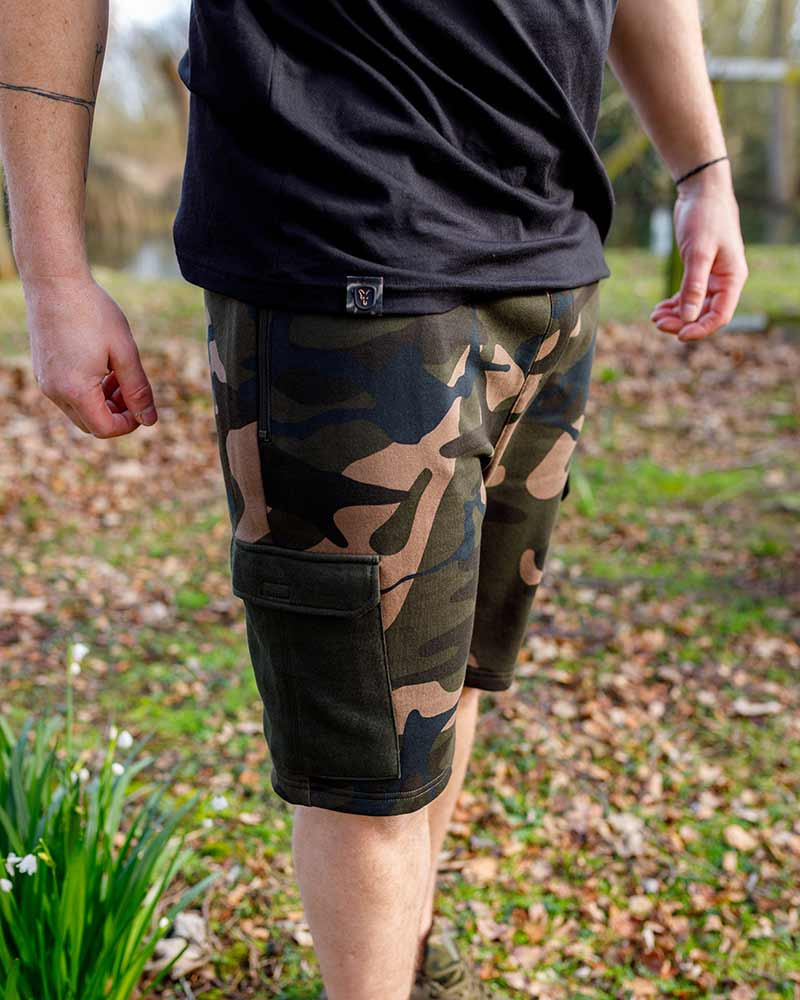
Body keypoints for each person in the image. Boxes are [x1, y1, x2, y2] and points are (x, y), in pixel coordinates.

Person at [0, 1, 747, 997]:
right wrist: (52, 273)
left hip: (550, 259)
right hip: (345, 264)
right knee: (370, 768)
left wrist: (702, 168)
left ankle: (413, 966)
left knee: (450, 685)